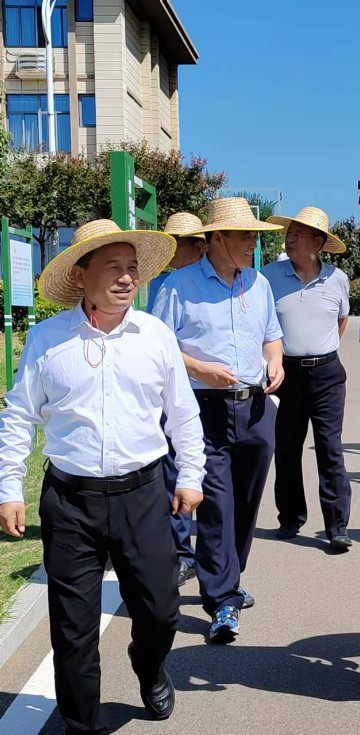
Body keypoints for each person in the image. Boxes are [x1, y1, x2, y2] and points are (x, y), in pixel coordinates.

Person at [0, 220, 206, 735]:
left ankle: (149, 666)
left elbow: (183, 413)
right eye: (112, 266)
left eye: (132, 268)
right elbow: (19, 414)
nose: (125, 277)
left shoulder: (155, 336)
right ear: (81, 273)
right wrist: (8, 489)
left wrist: (192, 475)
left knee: (160, 612)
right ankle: (82, 724)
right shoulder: (49, 341)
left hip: (143, 495)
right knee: (73, 630)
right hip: (70, 502)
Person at [152, 197, 284, 644]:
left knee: (245, 504)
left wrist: (276, 361)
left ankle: (228, 573)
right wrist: (200, 369)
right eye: (245, 236)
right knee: (216, 505)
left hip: (256, 409)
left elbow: (272, 339)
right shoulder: (178, 286)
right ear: (218, 238)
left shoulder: (260, 285)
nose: (252, 244)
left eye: (254, 236)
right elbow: (160, 348)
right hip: (203, 409)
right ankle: (222, 598)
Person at [262, 206, 354, 551]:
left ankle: (337, 526)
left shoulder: (337, 278)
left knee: (330, 449)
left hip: (328, 374)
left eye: (299, 235)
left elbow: (340, 321)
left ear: (319, 242)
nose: (290, 239)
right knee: (286, 448)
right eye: (289, 233)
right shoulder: (269, 276)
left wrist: (321, 351)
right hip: (286, 373)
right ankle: (290, 516)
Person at [149, 212, 208, 587]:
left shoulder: (217, 282)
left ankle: (214, 560)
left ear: (200, 246)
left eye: (179, 243)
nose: (172, 251)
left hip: (212, 393)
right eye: (168, 243)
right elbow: (157, 342)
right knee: (174, 473)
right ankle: (182, 552)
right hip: (174, 393)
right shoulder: (161, 283)